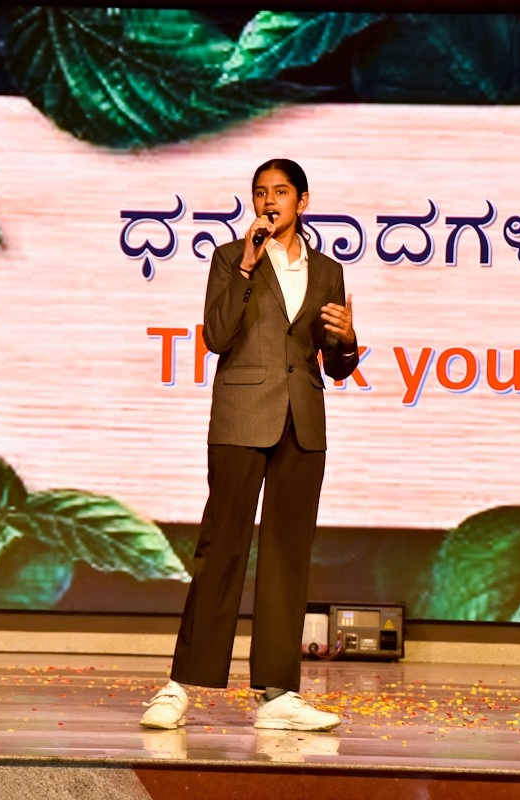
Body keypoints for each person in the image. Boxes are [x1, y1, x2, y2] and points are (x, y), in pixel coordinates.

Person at [141, 158, 358, 731]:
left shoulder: (328, 271)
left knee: (288, 554)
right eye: (261, 192)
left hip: (302, 422)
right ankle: (180, 686)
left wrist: (348, 340)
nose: (269, 201)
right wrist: (245, 265)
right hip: (241, 417)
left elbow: (336, 365)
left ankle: (278, 693)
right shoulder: (230, 258)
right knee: (222, 547)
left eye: (280, 192)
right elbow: (216, 336)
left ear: (302, 202)